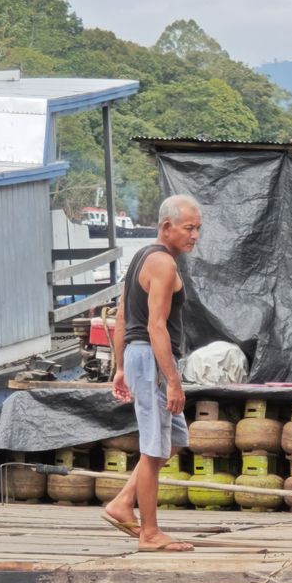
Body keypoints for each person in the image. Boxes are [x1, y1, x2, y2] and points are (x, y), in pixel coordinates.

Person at [101, 194, 201, 552]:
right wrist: (173, 381)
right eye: (189, 228)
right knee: (153, 445)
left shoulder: (140, 258)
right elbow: (156, 326)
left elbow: (124, 316)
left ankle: (123, 502)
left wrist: (120, 366)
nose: (194, 236)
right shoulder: (163, 265)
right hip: (153, 358)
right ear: (166, 227)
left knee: (172, 441)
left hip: (139, 356)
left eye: (198, 229)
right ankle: (150, 533)